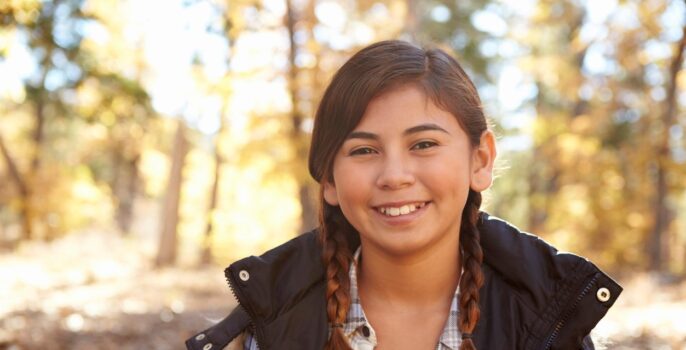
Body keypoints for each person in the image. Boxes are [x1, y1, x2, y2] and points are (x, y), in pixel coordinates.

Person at [185, 40, 621, 350]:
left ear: (480, 160)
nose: (394, 175)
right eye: (364, 150)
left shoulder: (549, 322)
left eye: (424, 144)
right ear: (330, 181)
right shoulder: (273, 323)